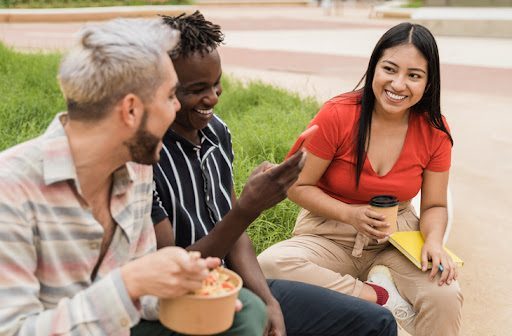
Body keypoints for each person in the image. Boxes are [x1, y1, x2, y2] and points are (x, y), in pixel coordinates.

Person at [149, 11, 398, 336]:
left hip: (233, 286)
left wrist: (267, 299)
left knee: (377, 323)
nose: (212, 97)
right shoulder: (146, 156)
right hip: (184, 305)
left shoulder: (216, 132)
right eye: (196, 89)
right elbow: (168, 271)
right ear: (161, 87)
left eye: (216, 83)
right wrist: (247, 209)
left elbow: (234, 235)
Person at [0, 18, 238, 336]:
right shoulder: (10, 190)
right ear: (130, 111)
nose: (177, 106)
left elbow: (139, 293)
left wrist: (183, 281)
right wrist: (130, 283)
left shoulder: (136, 168)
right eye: (170, 96)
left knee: (244, 312)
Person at [258, 22, 464, 336]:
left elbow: (435, 204)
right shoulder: (338, 114)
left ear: (428, 81)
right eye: (390, 69)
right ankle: (378, 296)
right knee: (269, 264)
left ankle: (382, 285)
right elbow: (296, 185)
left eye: (414, 75)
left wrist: (434, 242)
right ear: (374, 67)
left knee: (445, 295)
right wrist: (350, 214)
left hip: (397, 237)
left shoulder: (436, 130)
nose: (398, 84)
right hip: (330, 234)